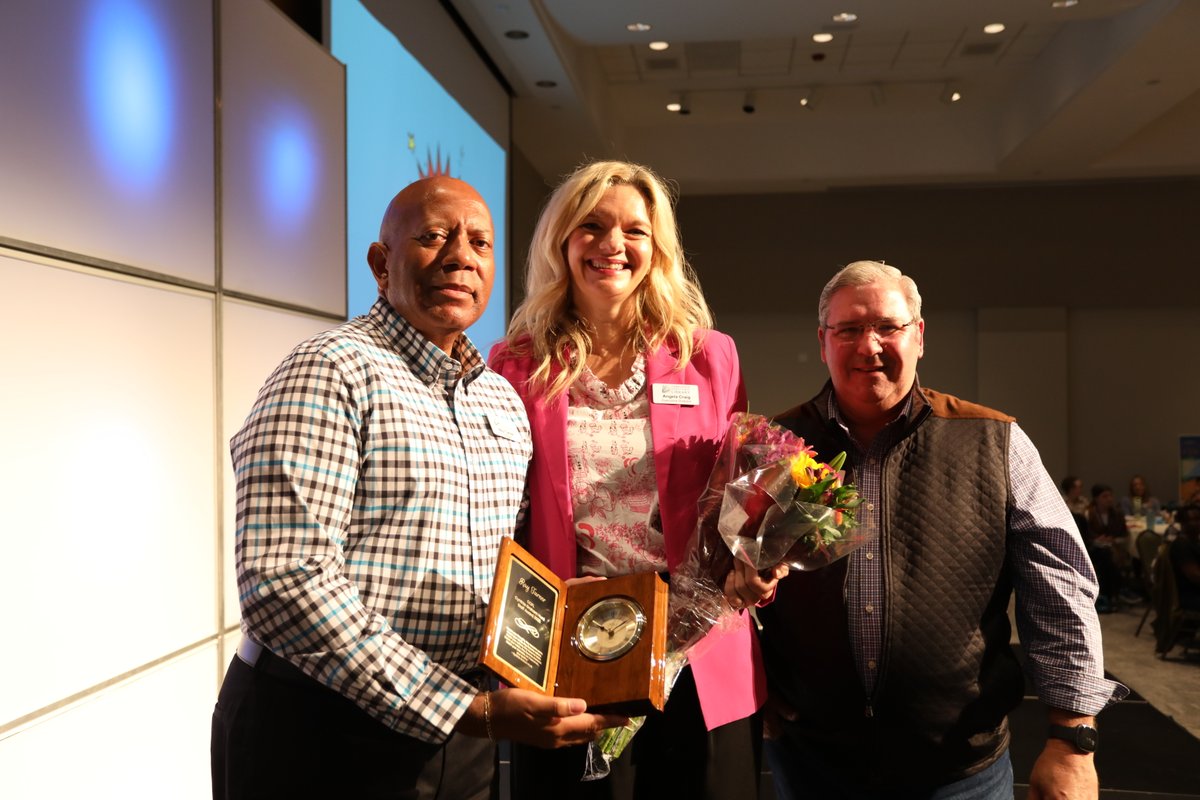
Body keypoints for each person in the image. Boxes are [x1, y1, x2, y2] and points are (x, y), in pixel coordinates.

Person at [210, 176, 623, 800]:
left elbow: (499, 568)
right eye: (434, 236)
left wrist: (561, 612)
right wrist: (463, 710)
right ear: (382, 264)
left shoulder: (501, 401)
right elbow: (284, 581)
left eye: (480, 243)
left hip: (458, 736)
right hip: (320, 731)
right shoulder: (331, 370)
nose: (461, 255)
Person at [758, 261, 1127, 799]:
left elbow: (1060, 588)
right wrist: (747, 682)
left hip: (960, 774)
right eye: (849, 329)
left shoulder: (994, 441)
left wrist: (1073, 741)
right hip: (812, 764)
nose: (869, 346)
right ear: (822, 341)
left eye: (888, 326)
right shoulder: (774, 447)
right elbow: (725, 583)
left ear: (920, 336)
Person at [489, 160, 780, 798]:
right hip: (571, 652)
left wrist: (759, 558)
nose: (612, 245)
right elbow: (499, 512)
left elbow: (742, 492)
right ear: (561, 242)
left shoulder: (708, 355)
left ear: (658, 247)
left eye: (634, 230)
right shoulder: (515, 365)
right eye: (590, 226)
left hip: (697, 650)